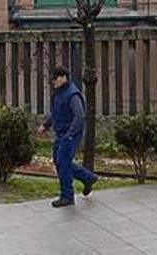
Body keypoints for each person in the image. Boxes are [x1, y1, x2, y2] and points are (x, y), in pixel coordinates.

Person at [37, 67, 98, 208]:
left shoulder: (72, 94)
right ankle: (88, 178)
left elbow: (79, 117)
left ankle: (67, 196)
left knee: (63, 163)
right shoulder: (58, 93)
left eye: (55, 80)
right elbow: (56, 112)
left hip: (70, 135)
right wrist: (46, 125)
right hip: (61, 133)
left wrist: (70, 134)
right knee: (60, 162)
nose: (53, 83)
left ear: (63, 77)